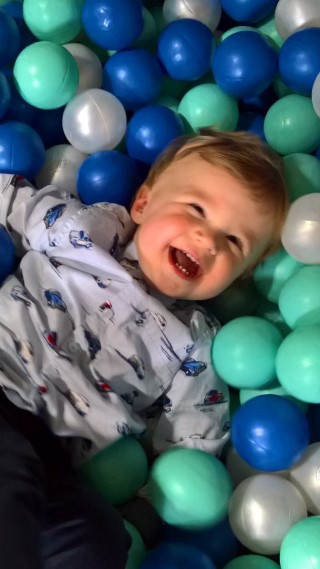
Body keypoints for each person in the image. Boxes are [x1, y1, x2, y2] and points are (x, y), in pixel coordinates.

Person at [0, 128, 288, 568]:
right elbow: (10, 198)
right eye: (196, 209)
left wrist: (146, 509)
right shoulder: (81, 229)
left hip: (56, 460)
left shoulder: (197, 347)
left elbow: (193, 447)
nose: (208, 240)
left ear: (241, 277)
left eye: (234, 242)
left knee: (97, 538)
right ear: (143, 204)